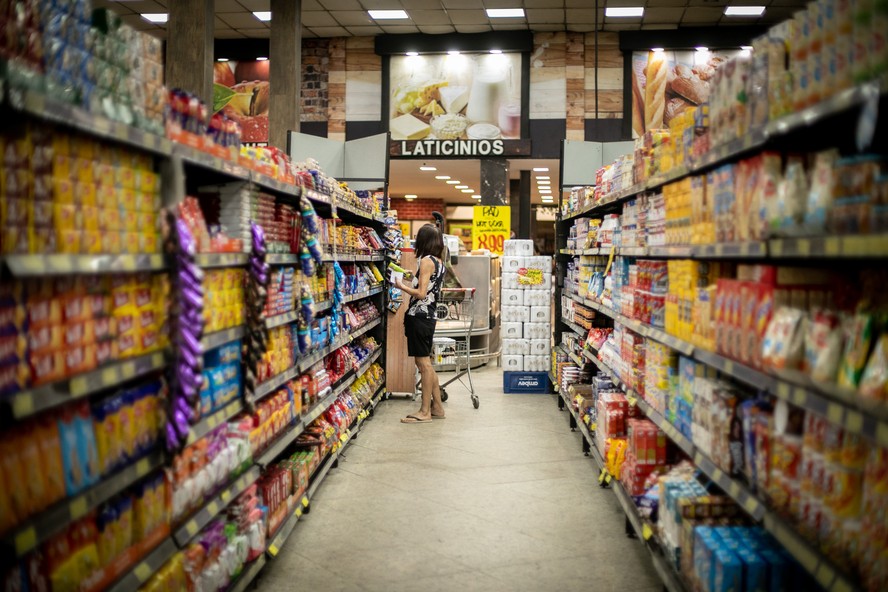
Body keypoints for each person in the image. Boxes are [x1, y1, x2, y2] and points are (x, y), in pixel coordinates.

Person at [396, 224, 447, 424]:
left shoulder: (426, 261)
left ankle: (425, 412)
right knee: (426, 363)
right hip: (428, 317)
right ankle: (437, 408)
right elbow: (429, 286)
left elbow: (421, 293)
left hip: (419, 316)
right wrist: (412, 277)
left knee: (423, 364)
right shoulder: (438, 261)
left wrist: (402, 285)